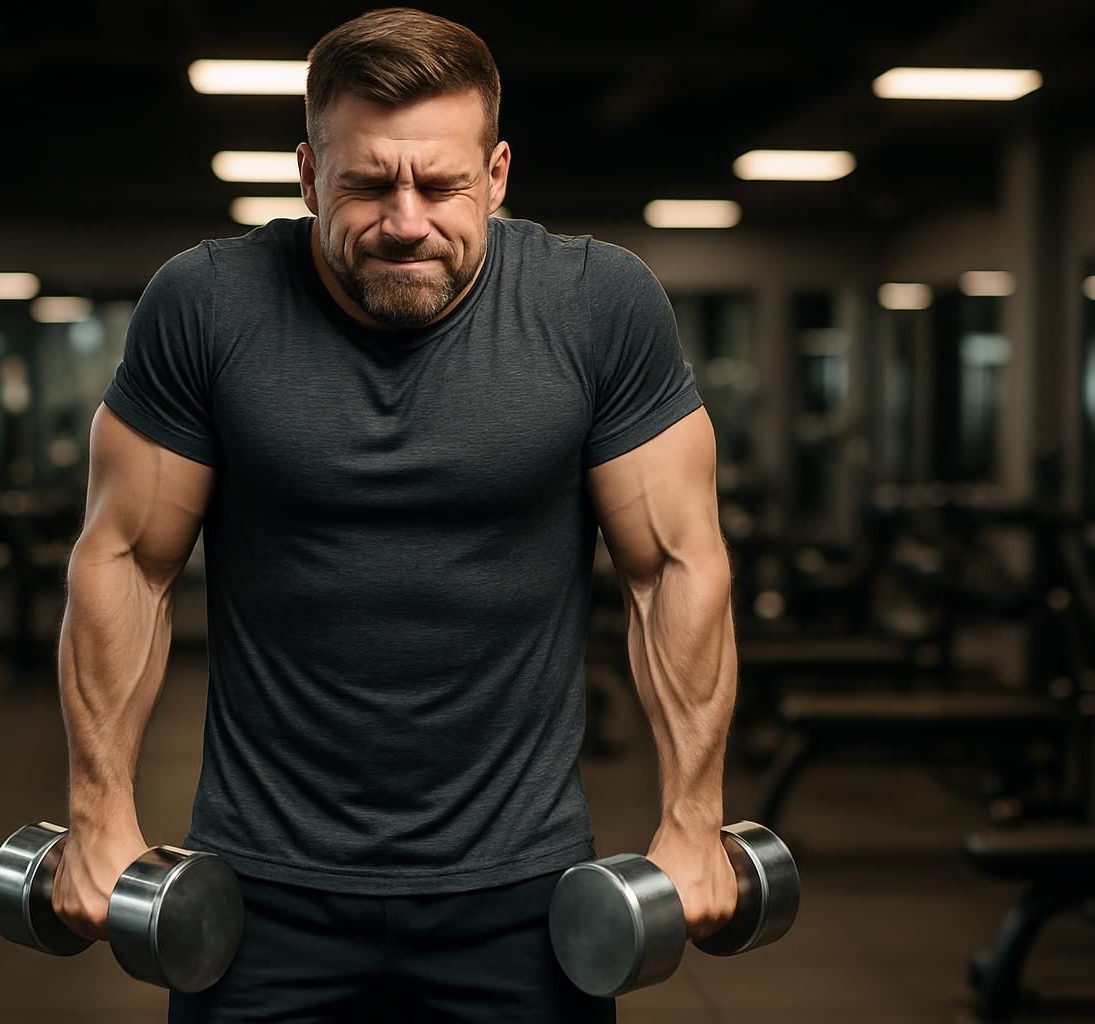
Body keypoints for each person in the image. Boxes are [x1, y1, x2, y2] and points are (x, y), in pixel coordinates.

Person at [52, 7, 739, 1021]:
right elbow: (124, 558)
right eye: (368, 181)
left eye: (443, 183)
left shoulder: (599, 306)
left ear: (497, 175)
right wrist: (96, 811)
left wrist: (694, 815)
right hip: (261, 887)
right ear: (307, 172)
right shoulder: (207, 305)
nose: (407, 218)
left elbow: (674, 563)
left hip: (521, 888)